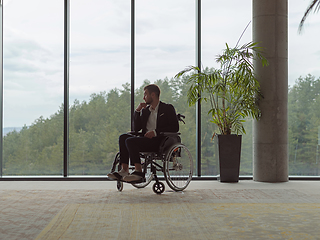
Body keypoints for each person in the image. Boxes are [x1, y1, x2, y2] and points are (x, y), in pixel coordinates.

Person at [107, 84, 179, 182]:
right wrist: (137, 111)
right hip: (145, 140)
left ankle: (139, 172)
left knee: (130, 141)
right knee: (123, 137)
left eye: (145, 94)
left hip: (160, 142)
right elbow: (136, 129)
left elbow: (175, 127)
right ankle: (124, 170)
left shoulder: (167, 108)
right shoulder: (146, 111)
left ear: (153, 95)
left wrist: (155, 132)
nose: (143, 97)